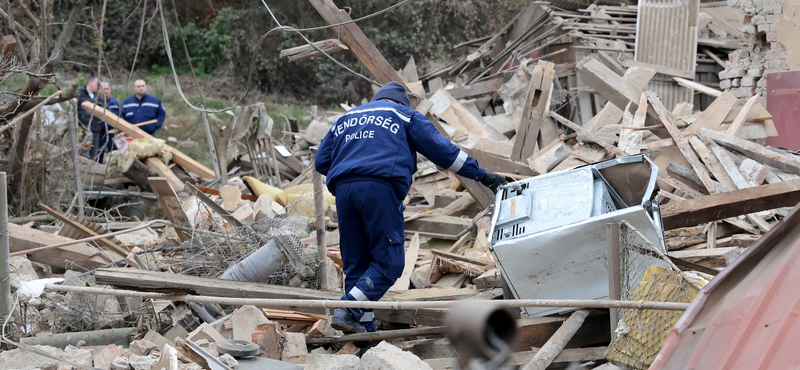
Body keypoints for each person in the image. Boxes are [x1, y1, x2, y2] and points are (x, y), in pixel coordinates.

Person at [315, 81, 507, 334]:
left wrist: (351, 173)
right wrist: (482, 175)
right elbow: (444, 152)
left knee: (357, 264)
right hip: (379, 189)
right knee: (389, 262)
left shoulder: (346, 119)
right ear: (401, 102)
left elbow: (321, 161)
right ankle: (349, 308)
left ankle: (363, 331)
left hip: (344, 193)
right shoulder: (404, 115)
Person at [90, 81, 121, 163]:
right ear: (99, 90)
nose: (105, 91)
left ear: (110, 89)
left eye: (107, 88)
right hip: (99, 133)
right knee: (98, 153)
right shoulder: (95, 102)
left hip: (113, 133)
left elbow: (121, 117)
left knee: (115, 153)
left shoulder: (116, 103)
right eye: (103, 89)